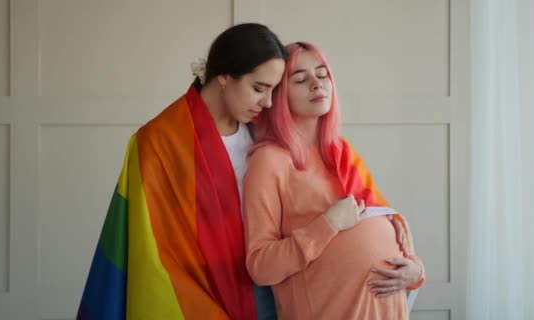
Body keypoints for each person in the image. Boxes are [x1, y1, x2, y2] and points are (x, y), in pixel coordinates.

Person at [77, 23, 286, 320]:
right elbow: (150, 248)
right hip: (187, 300)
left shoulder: (265, 135)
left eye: (273, 91)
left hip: (264, 293)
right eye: (259, 89)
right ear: (224, 76)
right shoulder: (158, 141)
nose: (268, 102)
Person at [243, 42, 425, 320]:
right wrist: (328, 224)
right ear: (279, 95)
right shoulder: (269, 160)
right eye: (301, 79)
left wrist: (415, 270)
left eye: (323, 74)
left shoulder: (340, 151)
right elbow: (261, 266)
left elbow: (386, 221)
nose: (317, 84)